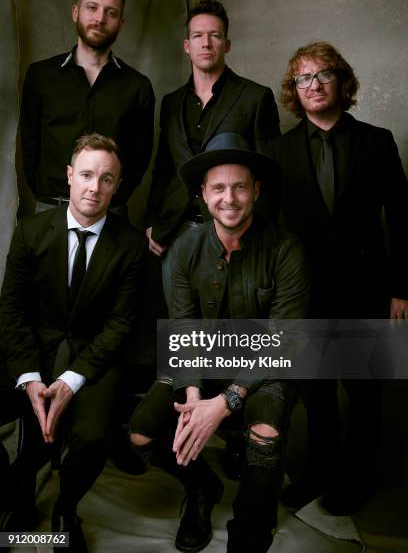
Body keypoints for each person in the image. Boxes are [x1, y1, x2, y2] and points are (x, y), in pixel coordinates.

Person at [129, 133, 309, 553]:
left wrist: (225, 401)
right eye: (218, 188)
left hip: (266, 368)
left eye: (240, 186)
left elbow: (286, 340)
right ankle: (202, 488)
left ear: (256, 191)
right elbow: (183, 329)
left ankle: (250, 527)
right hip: (200, 360)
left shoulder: (287, 250)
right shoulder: (182, 250)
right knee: (141, 436)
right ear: (203, 195)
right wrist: (193, 397)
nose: (230, 198)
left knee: (264, 435)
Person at [273, 41, 408, 514]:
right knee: (317, 391)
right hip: (305, 292)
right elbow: (272, 230)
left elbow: (402, 217)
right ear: (294, 89)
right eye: (303, 78)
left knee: (365, 390)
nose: (313, 84)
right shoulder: (279, 150)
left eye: (323, 74)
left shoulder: (377, 141)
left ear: (341, 80)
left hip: (366, 288)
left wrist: (401, 289)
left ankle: (358, 477)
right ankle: (320, 470)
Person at [0, 133, 147, 551]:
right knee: (17, 427)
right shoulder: (30, 232)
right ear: (69, 176)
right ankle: (15, 497)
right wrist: (28, 377)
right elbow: (12, 310)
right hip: (34, 349)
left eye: (106, 179)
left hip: (93, 356)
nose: (94, 188)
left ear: (117, 186)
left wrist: (71, 380)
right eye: (85, 175)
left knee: (94, 436)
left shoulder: (131, 246)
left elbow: (120, 324)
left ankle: (66, 508)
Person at [144, 0, 281, 300]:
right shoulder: (171, 102)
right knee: (183, 329)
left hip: (233, 233)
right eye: (198, 36)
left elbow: (270, 175)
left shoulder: (255, 98)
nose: (206, 43)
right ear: (186, 46)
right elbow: (163, 169)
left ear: (227, 44)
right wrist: (152, 222)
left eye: (215, 35)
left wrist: (253, 237)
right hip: (175, 233)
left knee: (232, 329)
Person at [20, 0, 155, 216]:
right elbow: (29, 145)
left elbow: (138, 160)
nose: (100, 19)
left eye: (111, 13)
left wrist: (113, 199)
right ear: (75, 12)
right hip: (50, 209)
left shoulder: (138, 87)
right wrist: (46, 196)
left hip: (110, 214)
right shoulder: (40, 76)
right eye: (92, 8)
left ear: (121, 23)